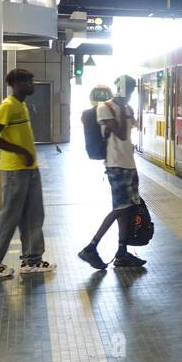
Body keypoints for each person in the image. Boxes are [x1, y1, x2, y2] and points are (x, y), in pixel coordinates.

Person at [0, 68, 53, 279]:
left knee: (34, 215)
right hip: (15, 170)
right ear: (17, 84)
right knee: (9, 216)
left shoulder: (21, 105)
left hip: (30, 169)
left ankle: (32, 260)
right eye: (29, 82)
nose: (32, 85)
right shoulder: (8, 106)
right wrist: (20, 151)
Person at [78, 74, 147, 270]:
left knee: (127, 208)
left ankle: (122, 252)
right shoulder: (104, 108)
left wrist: (126, 110)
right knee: (121, 208)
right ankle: (91, 247)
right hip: (116, 165)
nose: (131, 94)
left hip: (129, 164)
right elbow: (122, 133)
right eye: (130, 90)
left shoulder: (127, 108)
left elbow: (135, 127)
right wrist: (124, 111)